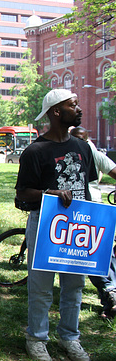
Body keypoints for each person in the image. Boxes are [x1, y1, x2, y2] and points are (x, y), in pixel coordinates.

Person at [15, 89, 97, 361]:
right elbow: (22, 194)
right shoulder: (35, 151)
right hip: (45, 226)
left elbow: (86, 187)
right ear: (56, 112)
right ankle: (37, 338)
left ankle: (70, 337)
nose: (79, 109)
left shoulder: (83, 147)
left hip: (78, 228)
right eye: (72, 105)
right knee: (41, 286)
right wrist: (48, 194)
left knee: (74, 286)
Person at [70, 126, 116, 318]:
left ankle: (110, 294)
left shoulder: (91, 152)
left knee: (92, 254)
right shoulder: (73, 150)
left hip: (92, 209)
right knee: (89, 253)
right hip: (72, 208)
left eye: (83, 139)